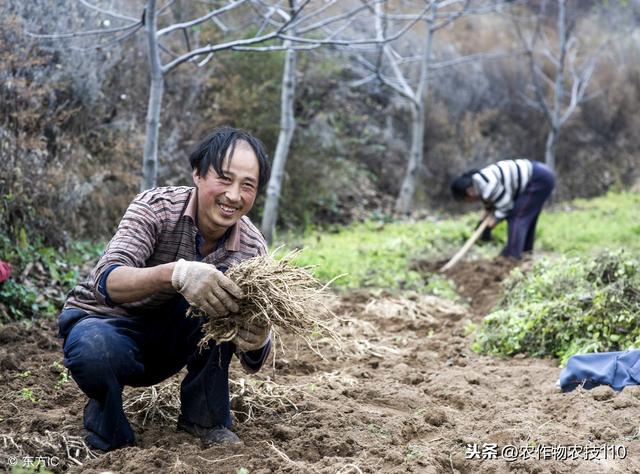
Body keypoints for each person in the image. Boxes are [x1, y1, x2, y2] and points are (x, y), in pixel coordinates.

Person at [58, 127, 272, 451]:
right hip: (106, 324)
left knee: (225, 291)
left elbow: (253, 359)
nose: (233, 195)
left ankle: (205, 420)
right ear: (198, 173)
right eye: (224, 179)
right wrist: (176, 273)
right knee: (95, 351)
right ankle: (109, 430)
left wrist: (259, 338)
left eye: (247, 186)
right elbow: (108, 280)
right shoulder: (155, 207)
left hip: (171, 340)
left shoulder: (252, 250)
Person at [450, 158, 555, 259]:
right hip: (539, 174)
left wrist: (491, 224)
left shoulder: (487, 186)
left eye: (466, 200)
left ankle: (512, 257)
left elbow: (506, 206)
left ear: (469, 192)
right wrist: (482, 222)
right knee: (526, 218)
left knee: (517, 217)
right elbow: (490, 206)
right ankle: (525, 253)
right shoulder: (479, 182)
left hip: (538, 179)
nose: (469, 202)